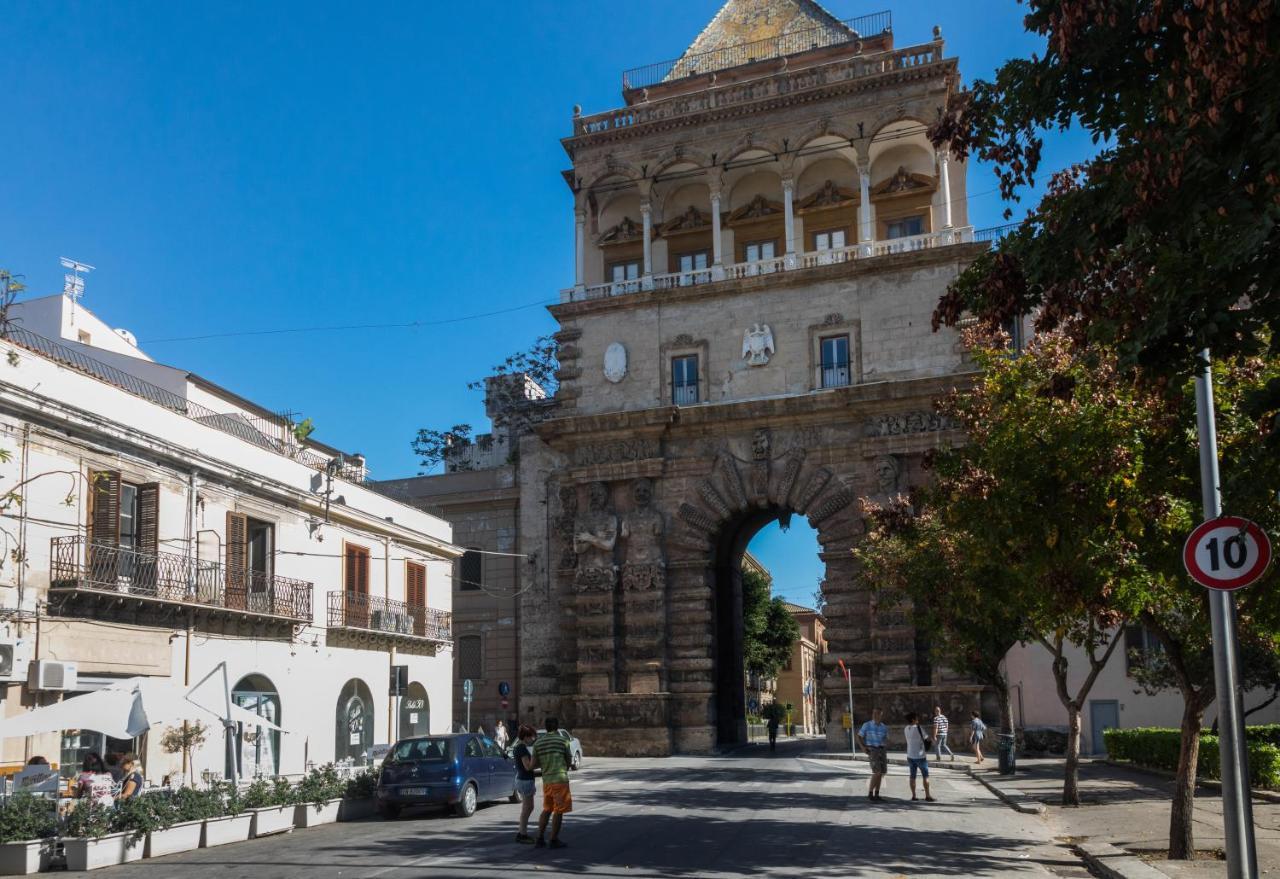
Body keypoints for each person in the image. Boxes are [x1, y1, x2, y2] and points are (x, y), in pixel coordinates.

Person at [531, 716, 572, 849]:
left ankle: (539, 838)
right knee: (558, 810)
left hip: (547, 781)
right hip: (560, 780)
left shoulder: (538, 743)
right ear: (556, 727)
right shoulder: (563, 741)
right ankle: (553, 839)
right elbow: (569, 761)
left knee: (547, 809)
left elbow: (535, 764)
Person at [512, 725, 538, 844]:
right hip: (525, 780)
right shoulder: (522, 748)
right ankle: (522, 834)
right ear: (526, 737)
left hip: (522, 779)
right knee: (527, 808)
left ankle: (522, 832)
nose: (533, 739)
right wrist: (536, 760)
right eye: (532, 737)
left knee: (527, 808)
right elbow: (528, 767)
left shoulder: (518, 746)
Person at [857, 707, 889, 801]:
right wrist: (863, 747)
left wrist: (886, 743)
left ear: (881, 715)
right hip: (872, 749)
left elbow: (886, 738)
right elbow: (859, 736)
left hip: (882, 750)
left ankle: (877, 794)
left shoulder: (884, 727)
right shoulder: (867, 725)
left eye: (877, 713)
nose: (874, 715)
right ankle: (870, 793)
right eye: (873, 713)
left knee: (882, 772)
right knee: (877, 772)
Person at [904, 712, 935, 802]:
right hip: (920, 756)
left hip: (910, 755)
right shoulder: (918, 728)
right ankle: (927, 795)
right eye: (917, 718)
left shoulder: (906, 728)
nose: (918, 720)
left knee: (912, 776)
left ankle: (914, 796)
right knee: (925, 776)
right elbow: (927, 738)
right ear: (913, 720)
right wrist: (931, 739)